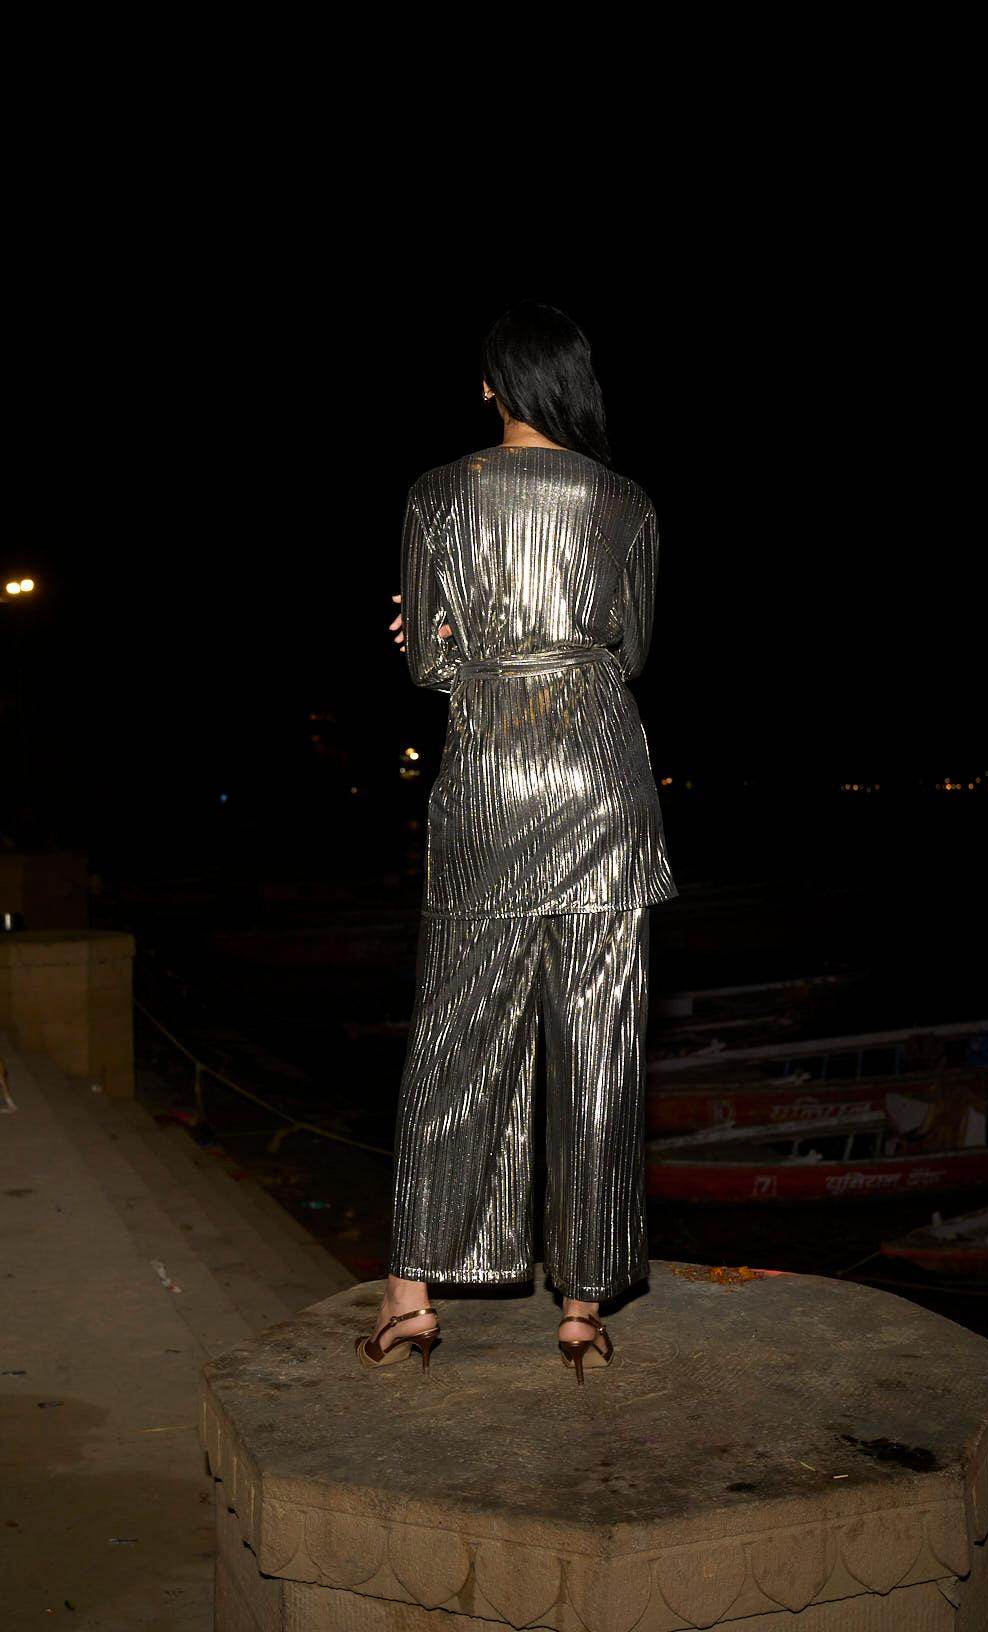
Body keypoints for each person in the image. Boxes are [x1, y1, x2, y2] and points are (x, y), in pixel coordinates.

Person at [357, 300, 678, 1383]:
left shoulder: (435, 494)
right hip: (601, 784)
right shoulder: (625, 501)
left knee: (455, 1034)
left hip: (492, 782)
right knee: (601, 1044)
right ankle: (581, 1310)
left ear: (491, 384)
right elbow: (630, 650)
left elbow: (426, 665)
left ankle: (410, 1300)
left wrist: (453, 643)